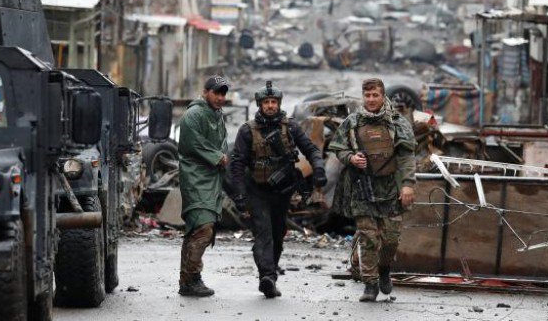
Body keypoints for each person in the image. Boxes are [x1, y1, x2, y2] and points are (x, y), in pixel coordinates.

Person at [229, 81, 328, 298]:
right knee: (263, 233)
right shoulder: (247, 131)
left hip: (282, 193)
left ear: (279, 103)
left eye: (274, 102)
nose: (271, 106)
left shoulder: (291, 127)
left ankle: (270, 274)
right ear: (260, 105)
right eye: (267, 102)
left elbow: (311, 150)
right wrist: (239, 194)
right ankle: (267, 275)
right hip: (257, 191)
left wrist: (319, 170)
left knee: (277, 234)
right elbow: (236, 164)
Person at [329, 78, 416, 302]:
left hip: (389, 188)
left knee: (390, 239)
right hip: (362, 188)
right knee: (368, 238)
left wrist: (407, 185)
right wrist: (351, 157)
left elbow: (406, 157)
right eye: (367, 96)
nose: (371, 100)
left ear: (382, 95)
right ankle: (370, 283)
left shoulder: (397, 122)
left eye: (375, 95)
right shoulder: (352, 122)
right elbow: (338, 148)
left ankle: (384, 268)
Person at [177, 75, 230, 297]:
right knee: (202, 229)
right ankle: (191, 279)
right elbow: (193, 144)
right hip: (196, 178)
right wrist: (218, 157)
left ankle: (188, 278)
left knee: (197, 230)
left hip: (211, 179)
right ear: (205, 92)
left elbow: (223, 142)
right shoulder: (193, 114)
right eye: (216, 93)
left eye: (223, 94)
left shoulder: (217, 115)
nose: (220, 98)